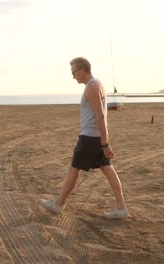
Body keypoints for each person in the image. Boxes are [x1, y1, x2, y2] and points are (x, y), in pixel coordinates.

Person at [40, 57, 130, 219]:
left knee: (74, 169)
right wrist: (103, 143)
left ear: (81, 70)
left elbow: (100, 116)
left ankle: (58, 204)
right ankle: (121, 208)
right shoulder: (96, 84)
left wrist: (105, 144)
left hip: (89, 137)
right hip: (94, 137)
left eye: (74, 72)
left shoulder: (92, 87)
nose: (73, 76)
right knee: (107, 169)